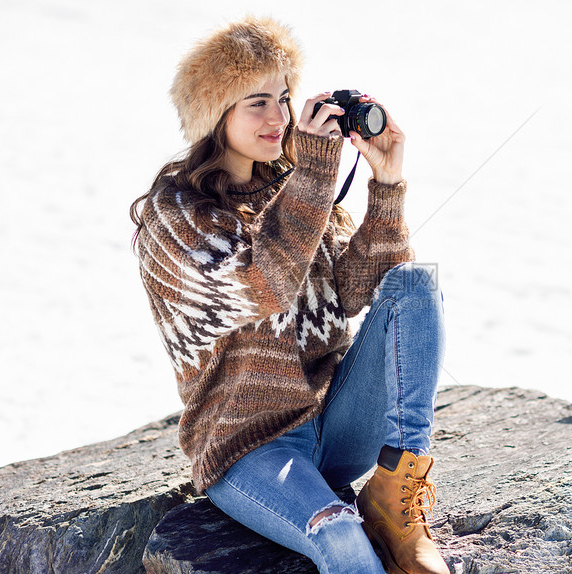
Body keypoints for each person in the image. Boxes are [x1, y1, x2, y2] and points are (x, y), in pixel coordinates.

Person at [129, 16, 448, 574]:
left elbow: (355, 292)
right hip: (248, 448)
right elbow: (266, 287)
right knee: (342, 540)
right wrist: (314, 176)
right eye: (257, 102)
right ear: (214, 113)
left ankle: (398, 485)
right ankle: (355, 516)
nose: (278, 118)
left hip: (335, 425)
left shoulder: (292, 187)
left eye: (283, 96)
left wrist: (387, 185)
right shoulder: (172, 217)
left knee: (415, 286)